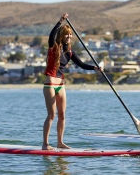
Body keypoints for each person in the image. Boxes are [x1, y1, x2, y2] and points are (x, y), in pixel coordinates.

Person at [42, 12, 102, 150]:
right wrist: (60, 21)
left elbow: (81, 64)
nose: (69, 37)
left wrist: (95, 68)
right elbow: (51, 36)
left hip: (61, 84)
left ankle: (60, 142)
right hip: (50, 83)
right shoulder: (53, 47)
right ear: (62, 36)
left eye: (70, 35)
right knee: (51, 115)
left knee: (62, 115)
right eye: (66, 34)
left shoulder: (69, 51)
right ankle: (45, 144)